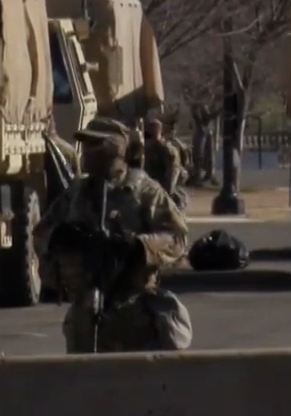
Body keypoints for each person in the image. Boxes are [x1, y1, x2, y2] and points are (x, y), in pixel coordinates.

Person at [34, 117, 193, 353]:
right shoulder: (77, 193)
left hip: (132, 310)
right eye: (85, 145)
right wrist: (62, 239)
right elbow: (41, 233)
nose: (86, 152)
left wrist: (138, 246)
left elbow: (178, 238)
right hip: (86, 312)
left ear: (115, 149)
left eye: (94, 145)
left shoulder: (144, 192)